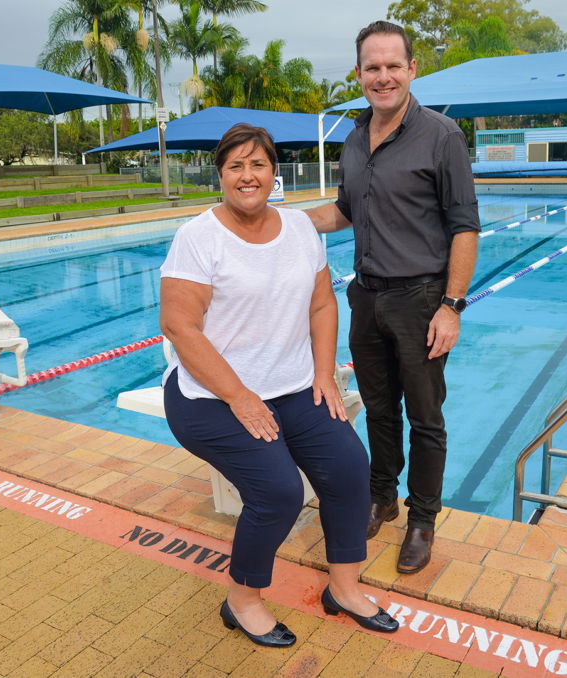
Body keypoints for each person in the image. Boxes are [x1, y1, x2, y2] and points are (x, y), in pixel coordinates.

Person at [160, 124, 399, 648]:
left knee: (350, 470)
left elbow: (320, 304)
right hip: (210, 398)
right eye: (236, 167)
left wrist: (323, 372)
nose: (248, 176)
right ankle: (242, 599)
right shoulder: (198, 238)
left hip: (293, 388)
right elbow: (180, 327)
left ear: (275, 173)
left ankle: (344, 588)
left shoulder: (298, 229)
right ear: (220, 176)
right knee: (278, 491)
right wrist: (239, 396)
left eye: (258, 165)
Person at [306, 20, 480, 574]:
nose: (382, 77)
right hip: (367, 298)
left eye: (392, 66)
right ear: (359, 74)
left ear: (411, 69)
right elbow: (345, 211)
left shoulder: (441, 135)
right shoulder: (355, 138)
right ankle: (382, 497)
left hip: (423, 298)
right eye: (371, 67)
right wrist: (281, 222)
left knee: (426, 417)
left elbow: (464, 227)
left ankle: (422, 519)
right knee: (380, 410)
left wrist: (451, 307)